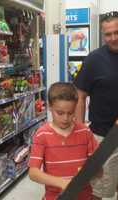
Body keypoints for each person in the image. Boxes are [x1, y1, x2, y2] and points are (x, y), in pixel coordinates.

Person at [74, 11, 118, 200]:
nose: (113, 38)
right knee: (98, 190)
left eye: (117, 32)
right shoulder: (93, 59)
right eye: (108, 34)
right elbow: (80, 95)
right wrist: (80, 129)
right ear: (102, 34)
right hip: (102, 138)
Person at [28, 82, 98, 200]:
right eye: (60, 113)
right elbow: (33, 172)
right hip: (55, 197)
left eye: (70, 113)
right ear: (50, 107)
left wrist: (96, 170)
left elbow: (96, 166)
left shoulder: (85, 132)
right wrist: (61, 183)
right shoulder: (42, 135)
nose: (65, 118)